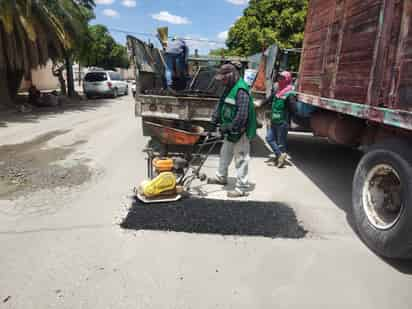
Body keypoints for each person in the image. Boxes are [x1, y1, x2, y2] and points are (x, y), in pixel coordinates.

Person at [208, 63, 257, 198]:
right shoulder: (228, 88)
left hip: (241, 130)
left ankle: (241, 188)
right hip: (231, 128)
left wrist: (229, 127)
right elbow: (221, 104)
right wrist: (213, 121)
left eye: (223, 79)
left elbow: (242, 115)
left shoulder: (241, 90)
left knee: (241, 158)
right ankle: (221, 177)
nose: (222, 82)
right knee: (225, 153)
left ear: (231, 76)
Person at [264, 71, 294, 167]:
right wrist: (259, 104)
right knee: (269, 138)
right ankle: (280, 155)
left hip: (282, 122)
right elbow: (269, 99)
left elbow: (293, 109)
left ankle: (279, 160)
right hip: (274, 120)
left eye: (282, 78)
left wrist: (288, 121)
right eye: (279, 78)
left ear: (287, 80)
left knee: (281, 142)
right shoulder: (277, 91)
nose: (280, 80)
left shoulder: (290, 93)